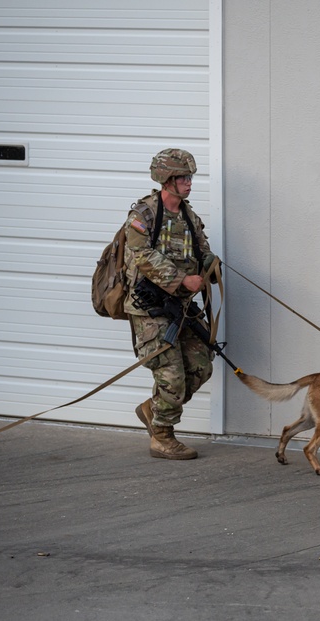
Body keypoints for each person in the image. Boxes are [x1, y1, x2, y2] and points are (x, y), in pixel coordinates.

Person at [125, 148, 217, 460]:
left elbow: (201, 249)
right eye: (183, 177)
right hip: (150, 308)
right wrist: (181, 279)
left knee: (201, 367)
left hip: (181, 307)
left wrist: (209, 264)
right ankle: (162, 436)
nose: (190, 183)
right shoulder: (144, 214)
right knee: (171, 375)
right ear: (167, 179)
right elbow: (141, 255)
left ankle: (153, 410)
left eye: (190, 176)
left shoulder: (189, 215)